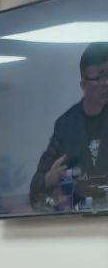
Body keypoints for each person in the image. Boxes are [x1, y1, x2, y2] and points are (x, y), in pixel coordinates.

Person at [28, 40, 108, 211]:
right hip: (79, 217)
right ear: (83, 85)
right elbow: (36, 185)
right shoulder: (65, 125)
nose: (106, 83)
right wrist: (49, 178)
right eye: (100, 77)